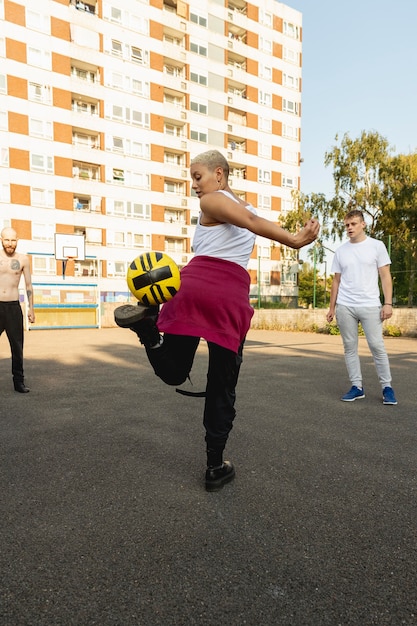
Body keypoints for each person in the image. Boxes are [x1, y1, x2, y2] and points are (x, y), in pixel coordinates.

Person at [114, 150, 320, 491]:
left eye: (198, 177)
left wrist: (294, 240)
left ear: (219, 174)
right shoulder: (231, 204)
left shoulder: (215, 201)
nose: (194, 185)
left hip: (194, 287)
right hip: (226, 296)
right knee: (222, 385)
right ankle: (214, 466)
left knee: (174, 371)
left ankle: (148, 330)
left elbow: (252, 224)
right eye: (193, 178)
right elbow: (253, 224)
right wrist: (293, 238)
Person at [326, 209, 397, 405]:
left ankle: (387, 388)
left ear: (362, 224)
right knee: (350, 347)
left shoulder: (377, 246)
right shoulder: (341, 251)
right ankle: (357, 387)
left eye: (353, 224)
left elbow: (385, 276)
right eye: (347, 225)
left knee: (377, 346)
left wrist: (388, 303)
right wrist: (332, 308)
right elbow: (336, 282)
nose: (349, 228)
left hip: (370, 305)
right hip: (345, 306)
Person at [0, 227, 35, 393]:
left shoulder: (23, 260)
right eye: (7, 240)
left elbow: (28, 285)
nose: (10, 244)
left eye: (13, 240)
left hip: (13, 307)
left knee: (17, 347)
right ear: (1, 239)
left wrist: (31, 308)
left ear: (17, 240)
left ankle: (19, 382)